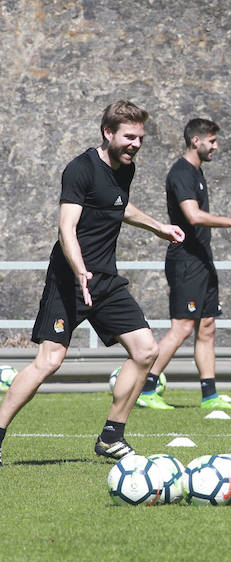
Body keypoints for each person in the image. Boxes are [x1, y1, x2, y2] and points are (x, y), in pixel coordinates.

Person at [0, 100, 184, 466]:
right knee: (49, 361)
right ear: (108, 133)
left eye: (140, 138)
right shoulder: (80, 169)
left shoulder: (125, 169)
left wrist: (158, 226)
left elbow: (119, 206)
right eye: (129, 137)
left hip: (105, 282)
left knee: (146, 351)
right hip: (69, 280)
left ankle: (111, 437)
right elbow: (66, 227)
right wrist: (80, 269)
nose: (136, 144)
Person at [135, 119, 231, 411]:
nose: (215, 147)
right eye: (211, 141)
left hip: (202, 258)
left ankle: (210, 395)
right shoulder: (182, 173)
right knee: (183, 327)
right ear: (195, 141)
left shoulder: (197, 172)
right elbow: (193, 215)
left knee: (207, 326)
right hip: (185, 260)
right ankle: (147, 388)